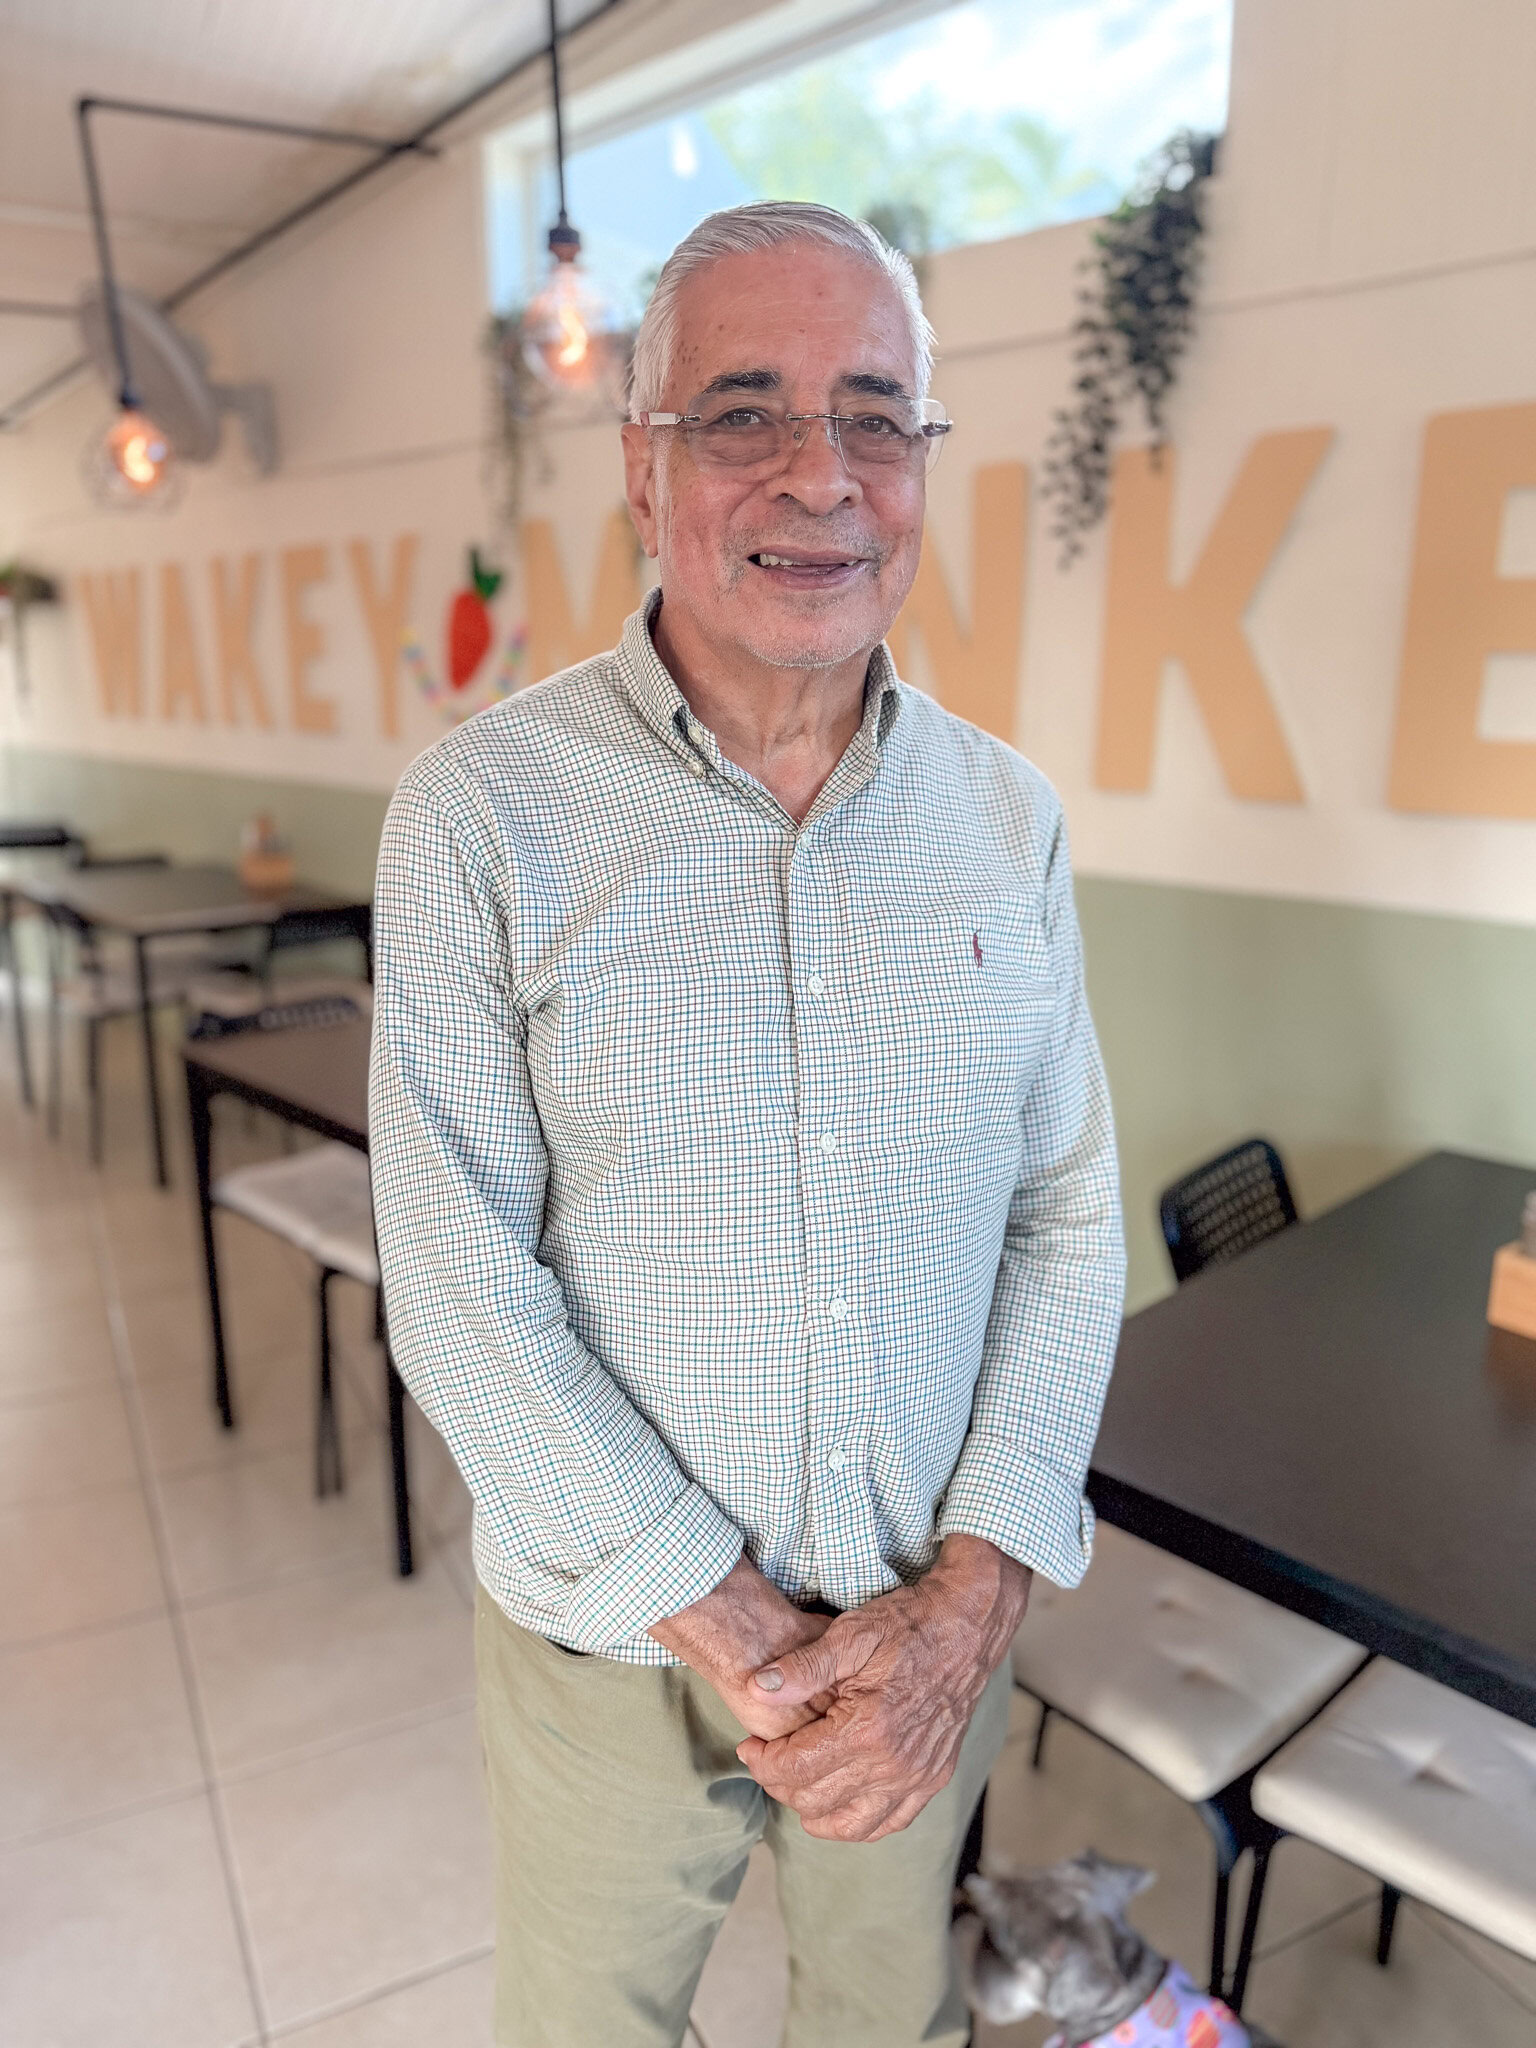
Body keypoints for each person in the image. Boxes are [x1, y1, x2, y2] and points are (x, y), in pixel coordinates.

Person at [369, 200, 1125, 2048]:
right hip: (611, 1641)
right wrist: (731, 1626)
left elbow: (1068, 1211)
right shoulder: (481, 815)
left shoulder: (1007, 822)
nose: (824, 475)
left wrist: (969, 1605)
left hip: (919, 1626)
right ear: (644, 470)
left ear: (923, 467)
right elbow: (456, 1279)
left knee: (888, 2022)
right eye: (744, 414)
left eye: (877, 416)